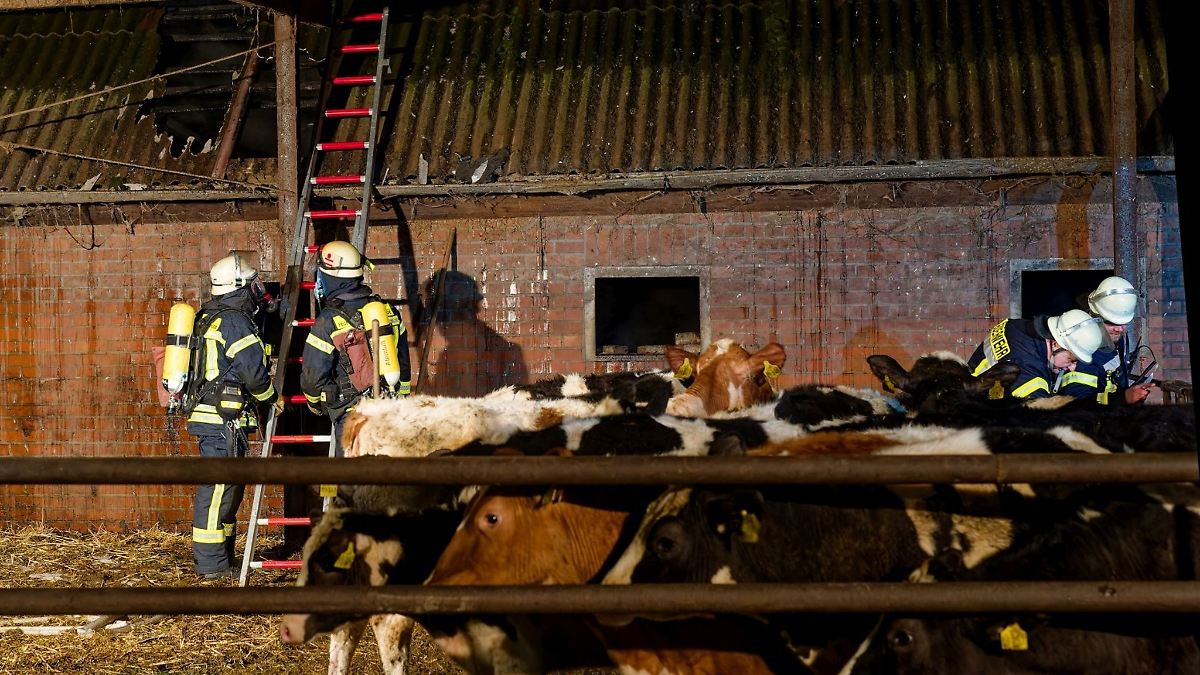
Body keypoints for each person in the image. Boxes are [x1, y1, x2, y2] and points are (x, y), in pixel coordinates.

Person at [184, 253, 278, 579]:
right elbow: (252, 371)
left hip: (218, 419)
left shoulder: (208, 316)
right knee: (218, 491)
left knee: (228, 490)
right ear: (240, 287)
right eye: (253, 284)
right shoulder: (234, 321)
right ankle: (212, 567)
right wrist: (271, 398)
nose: (258, 290)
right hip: (221, 420)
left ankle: (222, 560)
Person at [301, 241, 411, 453]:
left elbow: (313, 374)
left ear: (331, 277)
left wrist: (314, 403)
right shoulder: (388, 311)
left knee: (353, 480)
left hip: (354, 416)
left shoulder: (329, 320)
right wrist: (402, 398)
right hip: (390, 411)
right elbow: (403, 362)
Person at [967, 309, 1109, 399]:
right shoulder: (1028, 370)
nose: (1072, 368)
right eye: (1072, 359)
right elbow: (1038, 416)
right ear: (1056, 344)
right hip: (975, 409)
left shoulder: (1018, 326)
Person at [1058, 275, 1154, 405]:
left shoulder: (1115, 338)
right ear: (1094, 317)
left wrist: (1130, 396)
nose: (1120, 329)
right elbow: (1076, 403)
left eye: (1125, 322)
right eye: (1112, 322)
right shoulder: (1081, 349)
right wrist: (1123, 398)